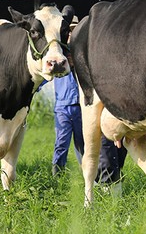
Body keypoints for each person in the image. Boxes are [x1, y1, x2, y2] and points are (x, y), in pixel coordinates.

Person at [51, 17, 126, 185]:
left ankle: (89, 175)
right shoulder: (59, 55)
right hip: (62, 107)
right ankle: (57, 176)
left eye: (74, 29)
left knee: (84, 144)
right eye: (68, 30)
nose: (71, 34)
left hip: (81, 106)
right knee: (61, 144)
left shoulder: (83, 53)